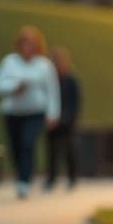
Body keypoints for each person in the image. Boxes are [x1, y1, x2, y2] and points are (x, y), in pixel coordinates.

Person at [0, 26, 60, 198]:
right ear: (19, 45)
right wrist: (14, 88)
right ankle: (21, 175)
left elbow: (52, 91)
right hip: (13, 112)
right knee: (16, 147)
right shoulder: (9, 62)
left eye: (31, 44)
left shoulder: (44, 66)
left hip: (35, 112)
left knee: (27, 143)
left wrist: (53, 114)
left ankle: (24, 181)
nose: (28, 48)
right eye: (25, 44)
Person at [45, 46, 82, 190]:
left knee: (69, 151)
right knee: (52, 152)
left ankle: (72, 178)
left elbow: (75, 102)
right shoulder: (50, 81)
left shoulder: (72, 80)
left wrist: (66, 119)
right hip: (52, 122)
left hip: (67, 123)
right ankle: (51, 179)